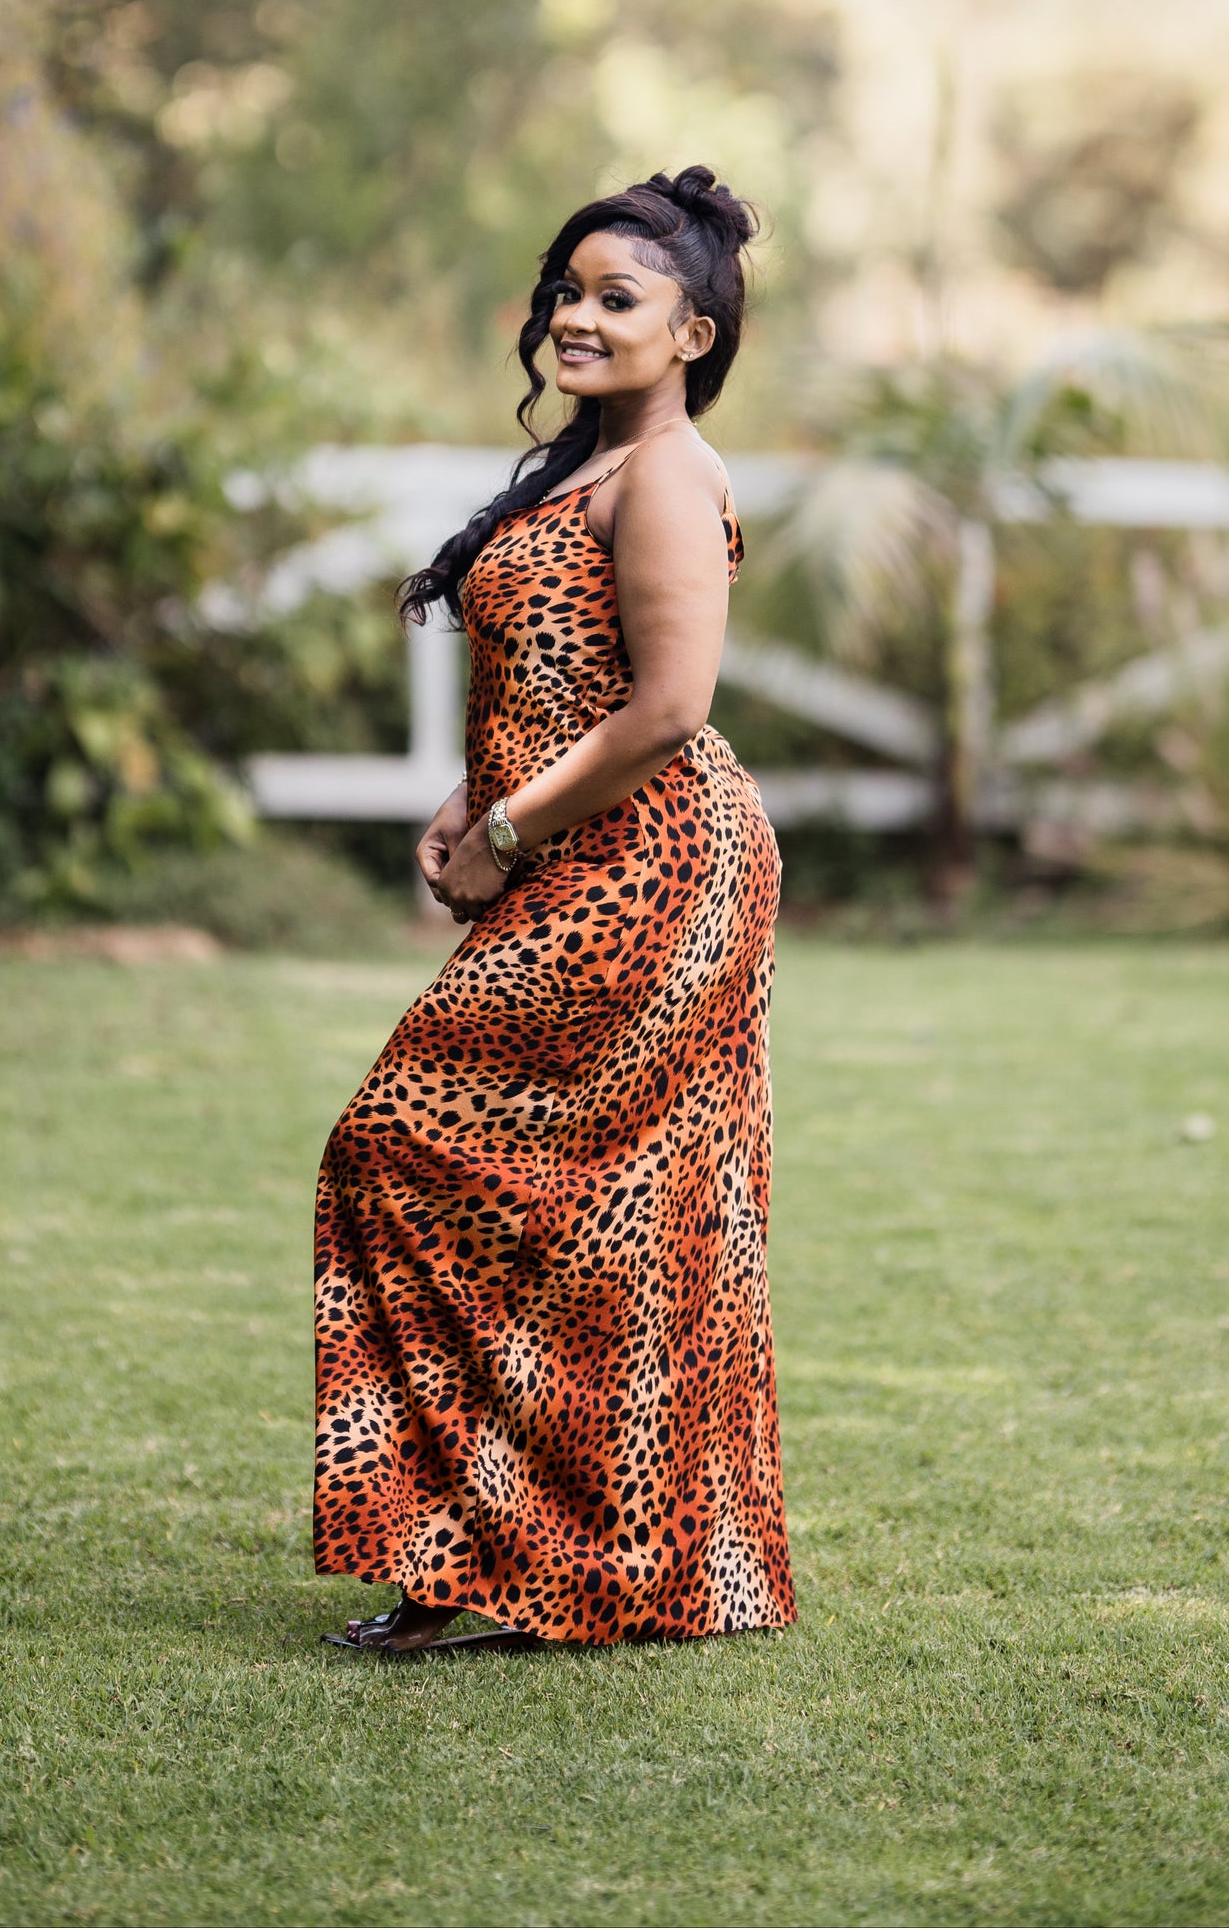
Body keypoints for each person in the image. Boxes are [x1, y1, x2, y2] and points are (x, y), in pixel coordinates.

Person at [313, 166, 795, 1657]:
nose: (574, 318)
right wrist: (475, 797)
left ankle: (536, 1555)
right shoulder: (578, 471)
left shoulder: (664, 473)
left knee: (409, 1144)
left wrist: (511, 823)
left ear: (695, 332)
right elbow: (553, 672)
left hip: (654, 867)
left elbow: (664, 709)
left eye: (616, 298)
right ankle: (521, 1558)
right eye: (565, 293)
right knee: (591, 1210)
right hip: (577, 851)